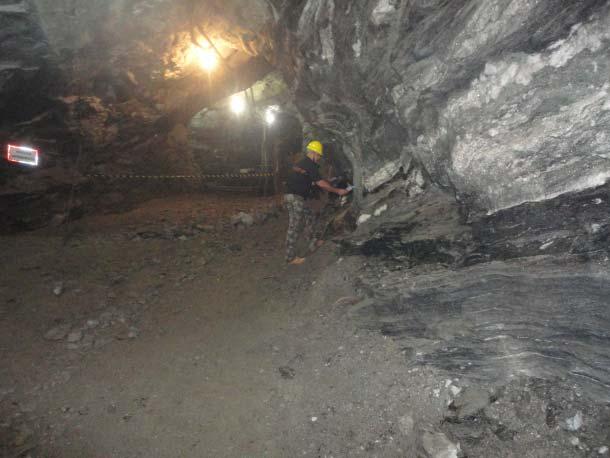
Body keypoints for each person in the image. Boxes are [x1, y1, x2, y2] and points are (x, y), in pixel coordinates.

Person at [284, 140, 351, 265]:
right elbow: (320, 183)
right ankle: (290, 258)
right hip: (295, 197)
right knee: (294, 226)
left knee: (310, 217)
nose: (319, 158)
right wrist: (337, 190)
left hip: (294, 196)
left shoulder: (302, 163)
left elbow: (312, 180)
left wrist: (327, 181)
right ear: (314, 153)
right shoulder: (310, 164)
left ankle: (314, 242)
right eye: (319, 155)